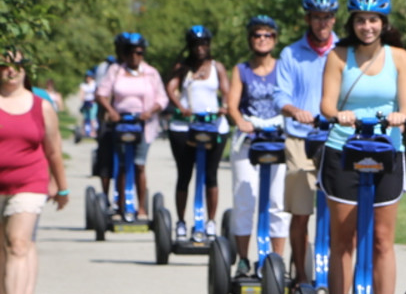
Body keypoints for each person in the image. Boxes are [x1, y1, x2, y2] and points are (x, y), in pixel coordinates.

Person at [319, 0, 406, 294]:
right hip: (343, 150)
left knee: (381, 240)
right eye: (360, 20)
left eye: (373, 20)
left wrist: (399, 116)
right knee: (343, 238)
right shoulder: (338, 56)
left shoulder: (400, 58)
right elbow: (327, 105)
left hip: (386, 150)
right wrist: (339, 115)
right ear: (352, 23)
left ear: (383, 24)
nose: (367, 26)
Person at [0, 50, 69, 294]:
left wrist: (61, 186)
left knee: (18, 245)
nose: (11, 71)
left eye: (17, 66)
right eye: (4, 66)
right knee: (2, 250)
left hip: (29, 182)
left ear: (26, 71)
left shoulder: (41, 107)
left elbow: (53, 151)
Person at [275, 0, 340, 286]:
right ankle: (301, 278)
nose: (321, 22)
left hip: (337, 137)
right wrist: (294, 110)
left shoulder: (344, 51)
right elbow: (280, 95)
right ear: (308, 19)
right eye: (316, 17)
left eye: (326, 17)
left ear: (334, 19)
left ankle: (335, 281)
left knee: (339, 214)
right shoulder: (291, 53)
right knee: (301, 213)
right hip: (301, 138)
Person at [226, 15, 289, 274]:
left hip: (277, 141)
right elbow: (232, 103)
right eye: (257, 35)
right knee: (245, 198)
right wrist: (240, 120)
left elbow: (290, 98)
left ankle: (277, 262)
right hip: (248, 142)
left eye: (267, 35)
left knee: (277, 202)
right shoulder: (241, 70)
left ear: (274, 39)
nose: (262, 39)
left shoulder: (283, 67)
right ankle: (243, 259)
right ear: (250, 39)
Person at [165, 25, 229, 240]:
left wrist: (225, 106)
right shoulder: (183, 68)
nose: (200, 48)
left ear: (209, 45)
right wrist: (180, 107)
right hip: (185, 126)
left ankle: (210, 222)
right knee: (184, 175)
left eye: (203, 43)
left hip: (213, 125)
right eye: (195, 44)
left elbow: (227, 91)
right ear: (190, 46)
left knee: (211, 175)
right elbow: (170, 88)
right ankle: (182, 222)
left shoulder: (217, 67)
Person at [95, 32, 168, 218]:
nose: (135, 56)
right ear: (124, 54)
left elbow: (162, 98)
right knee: (122, 165)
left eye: (139, 52)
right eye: (131, 53)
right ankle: (121, 206)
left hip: (144, 124)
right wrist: (111, 111)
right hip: (121, 123)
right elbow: (101, 93)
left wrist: (150, 112)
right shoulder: (116, 71)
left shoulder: (151, 73)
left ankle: (141, 207)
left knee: (139, 165)